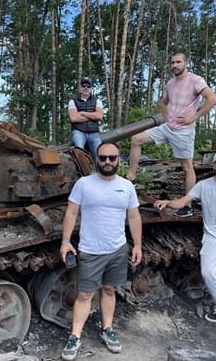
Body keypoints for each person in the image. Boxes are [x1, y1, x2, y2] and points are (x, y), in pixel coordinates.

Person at [154, 151, 216, 347]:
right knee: (207, 273)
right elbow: (184, 201)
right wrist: (168, 203)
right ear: (214, 166)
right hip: (213, 237)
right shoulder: (204, 186)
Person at [60, 142, 142, 360]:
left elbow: (133, 216)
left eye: (112, 158)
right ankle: (75, 335)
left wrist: (138, 245)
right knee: (85, 293)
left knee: (109, 290)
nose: (107, 162)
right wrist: (66, 241)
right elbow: (71, 213)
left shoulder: (126, 186)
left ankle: (108, 329)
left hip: (117, 248)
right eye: (103, 158)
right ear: (97, 159)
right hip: (90, 249)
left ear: (119, 160)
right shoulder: (84, 184)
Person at [127, 52, 216, 217]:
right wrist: (167, 115)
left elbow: (212, 99)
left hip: (184, 131)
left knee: (187, 167)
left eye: (178, 62)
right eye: (172, 63)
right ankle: (131, 179)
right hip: (167, 128)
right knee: (136, 139)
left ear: (185, 63)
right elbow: (163, 101)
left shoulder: (195, 80)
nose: (175, 65)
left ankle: (187, 206)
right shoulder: (170, 83)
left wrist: (194, 116)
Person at [68, 77, 104, 160]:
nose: (86, 88)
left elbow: (99, 116)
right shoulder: (72, 101)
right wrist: (93, 116)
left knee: (100, 156)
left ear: (91, 88)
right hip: (78, 131)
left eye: (88, 86)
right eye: (83, 85)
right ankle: (81, 172)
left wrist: (83, 113)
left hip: (94, 133)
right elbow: (73, 118)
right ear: (80, 88)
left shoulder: (97, 101)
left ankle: (100, 172)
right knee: (79, 154)